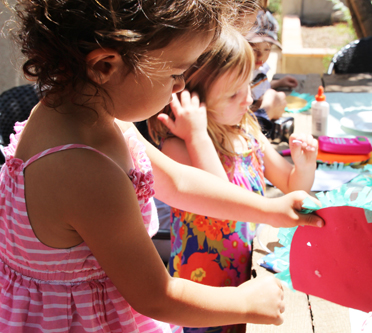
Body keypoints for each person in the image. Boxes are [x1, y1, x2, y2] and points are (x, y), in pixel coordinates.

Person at [0, 1, 325, 332]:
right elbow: (157, 296)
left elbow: (178, 182)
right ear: (104, 67)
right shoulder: (82, 170)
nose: (182, 85)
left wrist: (271, 209)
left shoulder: (91, 116)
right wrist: (246, 303)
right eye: (175, 72)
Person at [147, 27, 318, 333]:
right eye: (233, 94)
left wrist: (304, 166)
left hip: (246, 267)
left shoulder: (247, 131)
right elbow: (218, 201)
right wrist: (197, 134)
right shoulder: (178, 146)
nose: (248, 100)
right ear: (191, 99)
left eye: (248, 86)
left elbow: (293, 188)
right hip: (204, 287)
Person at [245, 7, 298, 116]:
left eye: (267, 49)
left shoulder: (259, 69)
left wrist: (278, 83)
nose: (261, 56)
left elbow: (259, 87)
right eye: (254, 49)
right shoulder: (243, 76)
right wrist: (262, 108)